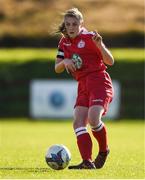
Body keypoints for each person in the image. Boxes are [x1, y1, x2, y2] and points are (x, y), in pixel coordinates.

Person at [55, 8, 114, 169]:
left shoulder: (90, 38)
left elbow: (110, 61)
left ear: (81, 24)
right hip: (82, 85)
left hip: (99, 82)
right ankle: (87, 161)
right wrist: (64, 62)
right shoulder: (63, 42)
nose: (71, 27)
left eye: (74, 24)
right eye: (68, 24)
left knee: (94, 119)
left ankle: (103, 150)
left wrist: (100, 45)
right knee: (78, 123)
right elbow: (57, 67)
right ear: (65, 26)